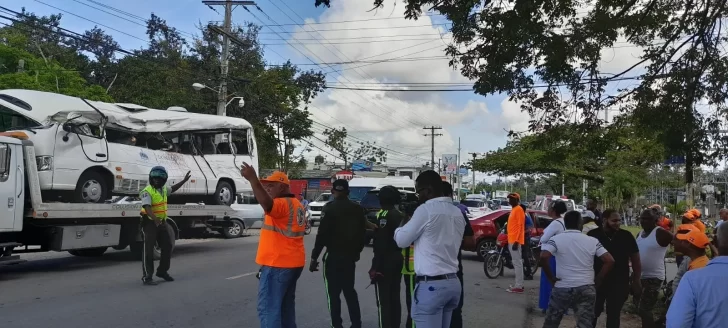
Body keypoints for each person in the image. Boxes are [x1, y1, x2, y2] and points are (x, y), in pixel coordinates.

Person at [393, 170, 465, 328]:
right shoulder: (457, 212)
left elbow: (401, 241)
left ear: (429, 190)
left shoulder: (425, 210)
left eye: (419, 191)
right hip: (453, 283)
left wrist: (404, 219)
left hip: (431, 286)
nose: (418, 196)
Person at [240, 165, 306, 328]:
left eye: (271, 185)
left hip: (278, 264)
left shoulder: (281, 204)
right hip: (292, 263)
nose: (267, 188)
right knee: (285, 309)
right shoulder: (296, 203)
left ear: (282, 187)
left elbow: (267, 204)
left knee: (268, 309)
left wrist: (253, 179)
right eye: (266, 185)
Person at [540, 210, 615, 328]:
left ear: (565, 223)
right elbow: (609, 260)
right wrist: (599, 278)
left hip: (562, 287)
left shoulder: (556, 239)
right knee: (585, 324)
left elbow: (544, 256)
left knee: (551, 323)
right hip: (586, 287)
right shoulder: (592, 241)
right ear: (580, 224)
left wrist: (551, 278)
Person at [310, 179, 367, 328]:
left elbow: (321, 235)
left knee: (333, 295)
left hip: (333, 257)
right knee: (350, 292)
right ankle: (356, 324)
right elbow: (363, 234)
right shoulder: (357, 208)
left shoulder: (329, 208)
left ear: (332, 191)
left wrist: (314, 257)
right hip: (349, 257)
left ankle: (337, 325)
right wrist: (356, 252)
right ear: (348, 192)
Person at [666, 223, 728, 328]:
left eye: (680, 240)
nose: (673, 242)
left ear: (715, 242)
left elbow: (677, 324)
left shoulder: (694, 278)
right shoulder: (692, 267)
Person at [587, 209, 642, 328]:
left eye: (619, 220)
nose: (618, 223)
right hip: (597, 281)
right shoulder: (593, 235)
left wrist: (636, 280)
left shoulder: (626, 236)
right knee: (592, 314)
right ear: (605, 220)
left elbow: (636, 259)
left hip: (619, 282)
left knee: (614, 315)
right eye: (614, 220)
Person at [139, 166, 191, 286]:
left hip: (161, 222)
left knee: (167, 246)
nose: (156, 180)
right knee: (148, 250)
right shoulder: (147, 191)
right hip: (149, 223)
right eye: (154, 178)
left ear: (164, 180)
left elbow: (173, 188)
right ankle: (147, 276)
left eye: (159, 179)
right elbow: (147, 207)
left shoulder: (163, 190)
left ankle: (162, 272)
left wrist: (184, 181)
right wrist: (155, 219)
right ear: (151, 178)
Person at [368, 185, 404, 328]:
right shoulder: (400, 214)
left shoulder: (384, 215)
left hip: (385, 261)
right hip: (398, 258)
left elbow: (381, 244)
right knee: (395, 297)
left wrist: (375, 267)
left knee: (384, 301)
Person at [443, 182, 475, 328]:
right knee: (455, 313)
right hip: (455, 272)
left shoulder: (425, 213)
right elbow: (469, 242)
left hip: (430, 276)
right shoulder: (459, 213)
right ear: (451, 195)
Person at [636, 208, 673, 328]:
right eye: (642, 218)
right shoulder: (639, 234)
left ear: (655, 220)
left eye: (647, 219)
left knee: (644, 309)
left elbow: (677, 241)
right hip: (640, 276)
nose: (644, 221)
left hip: (654, 277)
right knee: (640, 307)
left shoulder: (660, 232)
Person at [538, 200, 569, 312]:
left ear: (554, 210)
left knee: (548, 281)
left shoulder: (555, 223)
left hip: (551, 256)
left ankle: (547, 306)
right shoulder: (563, 221)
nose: (548, 209)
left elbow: (543, 239)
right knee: (559, 283)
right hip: (560, 256)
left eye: (550, 207)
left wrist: (542, 236)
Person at [505, 192, 526, 293]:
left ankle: (519, 285)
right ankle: (518, 284)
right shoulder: (514, 209)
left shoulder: (519, 209)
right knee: (516, 263)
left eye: (512, 199)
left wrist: (517, 241)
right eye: (509, 199)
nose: (510, 200)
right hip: (512, 239)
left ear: (517, 200)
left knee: (517, 263)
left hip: (515, 241)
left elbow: (521, 226)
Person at [401, 203, 418, 328]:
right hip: (411, 268)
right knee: (413, 303)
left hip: (410, 268)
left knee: (412, 302)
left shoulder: (405, 223)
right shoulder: (411, 225)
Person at [522, 204, 535, 281]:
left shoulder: (525, 216)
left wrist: (523, 232)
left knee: (525, 255)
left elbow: (530, 227)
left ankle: (529, 273)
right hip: (519, 238)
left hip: (525, 238)